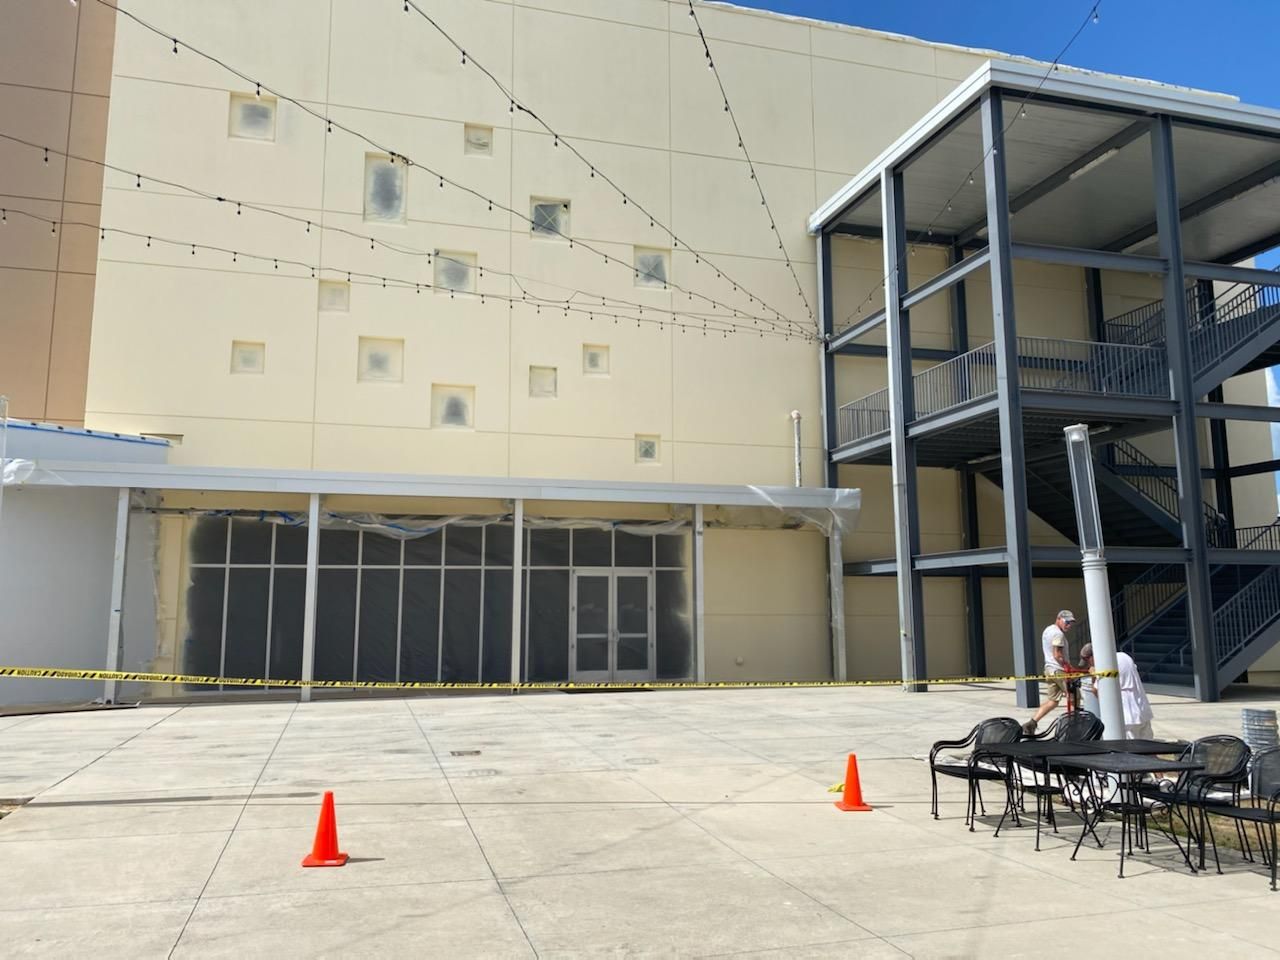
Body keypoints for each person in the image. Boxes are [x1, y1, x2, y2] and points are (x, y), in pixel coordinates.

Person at [1080, 643, 1154, 739]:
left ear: (1092, 657)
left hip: (1127, 717)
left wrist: (1094, 675)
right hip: (1142, 709)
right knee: (1148, 745)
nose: (1089, 665)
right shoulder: (1124, 656)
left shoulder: (1106, 664)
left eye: (1087, 661)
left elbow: (1096, 691)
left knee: (1129, 746)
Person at [1022, 610, 1076, 735]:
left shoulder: (1048, 630)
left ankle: (1031, 723)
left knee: (1053, 701)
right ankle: (1073, 727)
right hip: (1059, 670)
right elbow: (1057, 654)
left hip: (1049, 669)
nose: (1069, 625)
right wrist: (1068, 666)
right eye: (1067, 622)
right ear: (1059, 619)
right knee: (1074, 697)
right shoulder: (1058, 634)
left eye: (1071, 623)